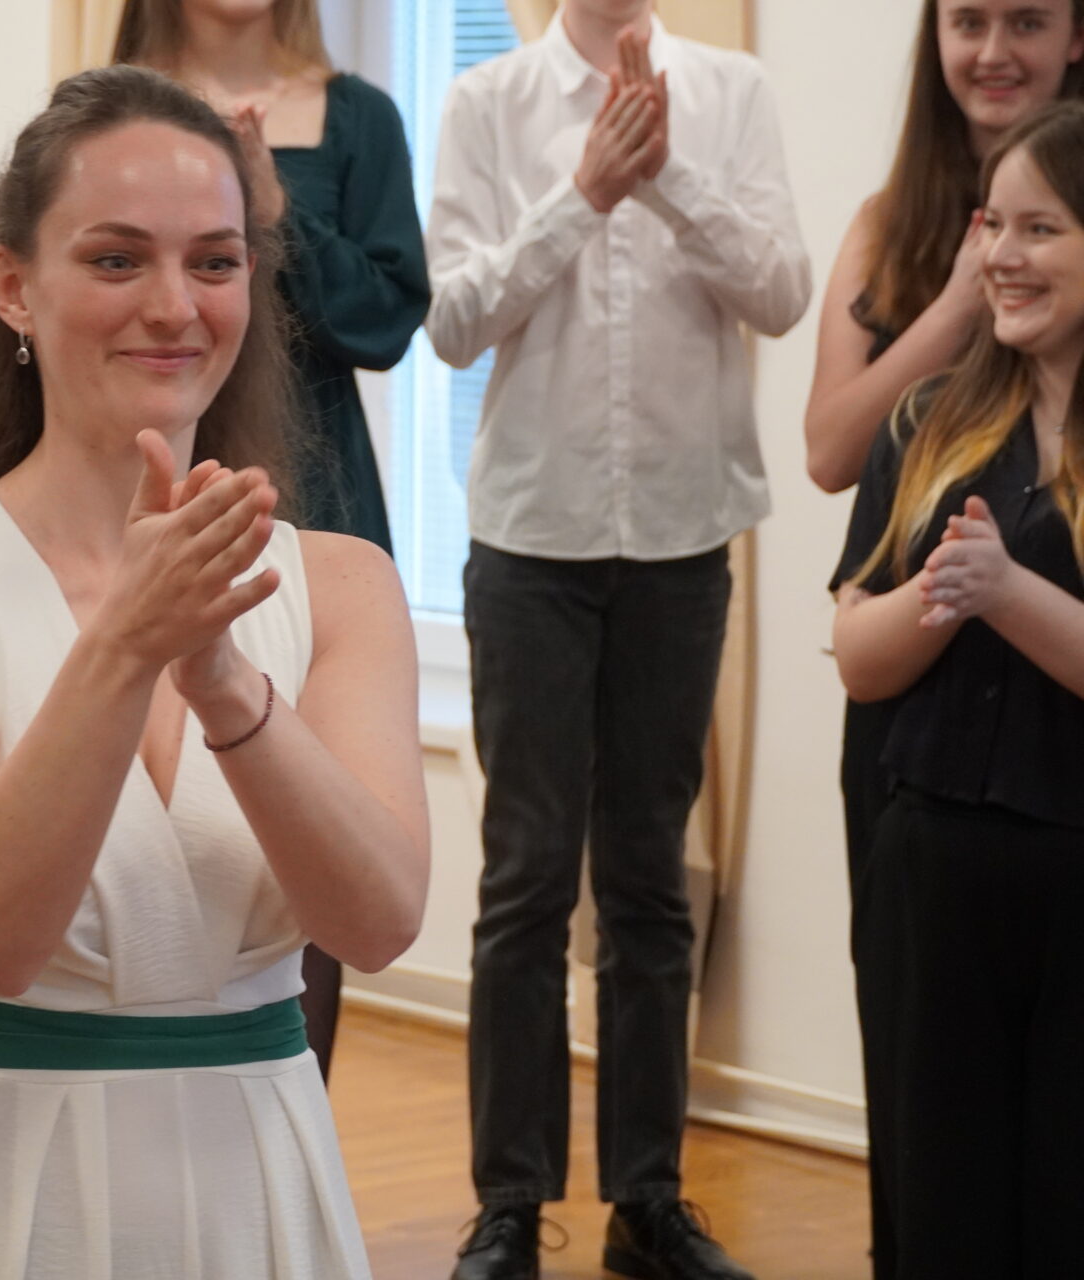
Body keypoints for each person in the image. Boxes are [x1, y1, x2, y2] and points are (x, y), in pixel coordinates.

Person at [0, 65, 428, 1278]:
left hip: (261, 1182)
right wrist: (127, 645)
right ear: (14, 286)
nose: (174, 305)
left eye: (214, 261)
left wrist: (226, 684)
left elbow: (376, 920)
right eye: (115, 259)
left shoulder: (344, 583)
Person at [424, 1, 809, 1276]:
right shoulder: (488, 102)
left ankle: (649, 1198)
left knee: (650, 877)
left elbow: (783, 292)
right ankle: (510, 1202)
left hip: (684, 538)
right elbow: (453, 319)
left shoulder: (732, 92)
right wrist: (584, 191)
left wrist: (670, 174)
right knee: (526, 879)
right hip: (532, 536)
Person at [801, 4, 1083, 1274]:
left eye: (1041, 230)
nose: (1006, 257)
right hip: (930, 826)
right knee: (938, 1174)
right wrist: (945, 592)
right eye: (992, 230)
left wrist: (1002, 590)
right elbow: (857, 630)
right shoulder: (929, 419)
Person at [113, 0, 430, 1085]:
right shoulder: (106, 110)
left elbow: (384, 322)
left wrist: (277, 213)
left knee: (306, 812)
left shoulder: (361, 117)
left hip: (316, 491)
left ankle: (287, 1114)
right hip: (138, 477)